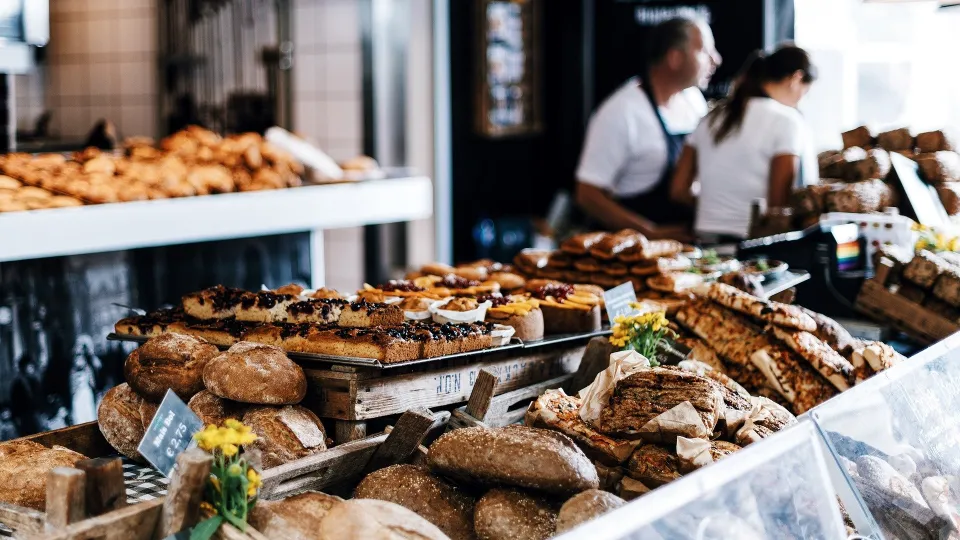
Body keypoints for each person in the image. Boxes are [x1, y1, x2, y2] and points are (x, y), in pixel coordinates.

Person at [575, 15, 722, 240]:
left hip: (685, 247)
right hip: (632, 252)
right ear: (674, 58)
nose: (716, 59)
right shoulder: (621, 112)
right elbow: (587, 195)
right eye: (704, 51)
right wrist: (649, 233)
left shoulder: (693, 100)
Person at [670, 45, 818, 241]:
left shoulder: (710, 118)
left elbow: (678, 190)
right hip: (753, 246)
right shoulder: (787, 121)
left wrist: (717, 206)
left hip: (705, 242)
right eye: (805, 93)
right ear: (796, 79)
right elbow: (777, 208)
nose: (801, 100)